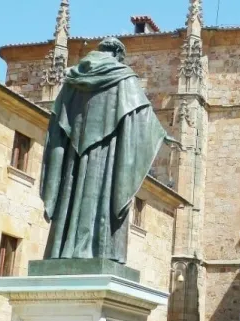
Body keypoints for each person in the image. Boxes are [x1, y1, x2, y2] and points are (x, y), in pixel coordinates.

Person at [40, 37, 178, 264]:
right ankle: (101, 251)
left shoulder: (73, 78)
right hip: (106, 156)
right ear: (117, 53)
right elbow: (141, 113)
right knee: (104, 194)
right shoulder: (123, 76)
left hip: (74, 156)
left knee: (71, 193)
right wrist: (162, 134)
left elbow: (58, 120)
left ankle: (62, 249)